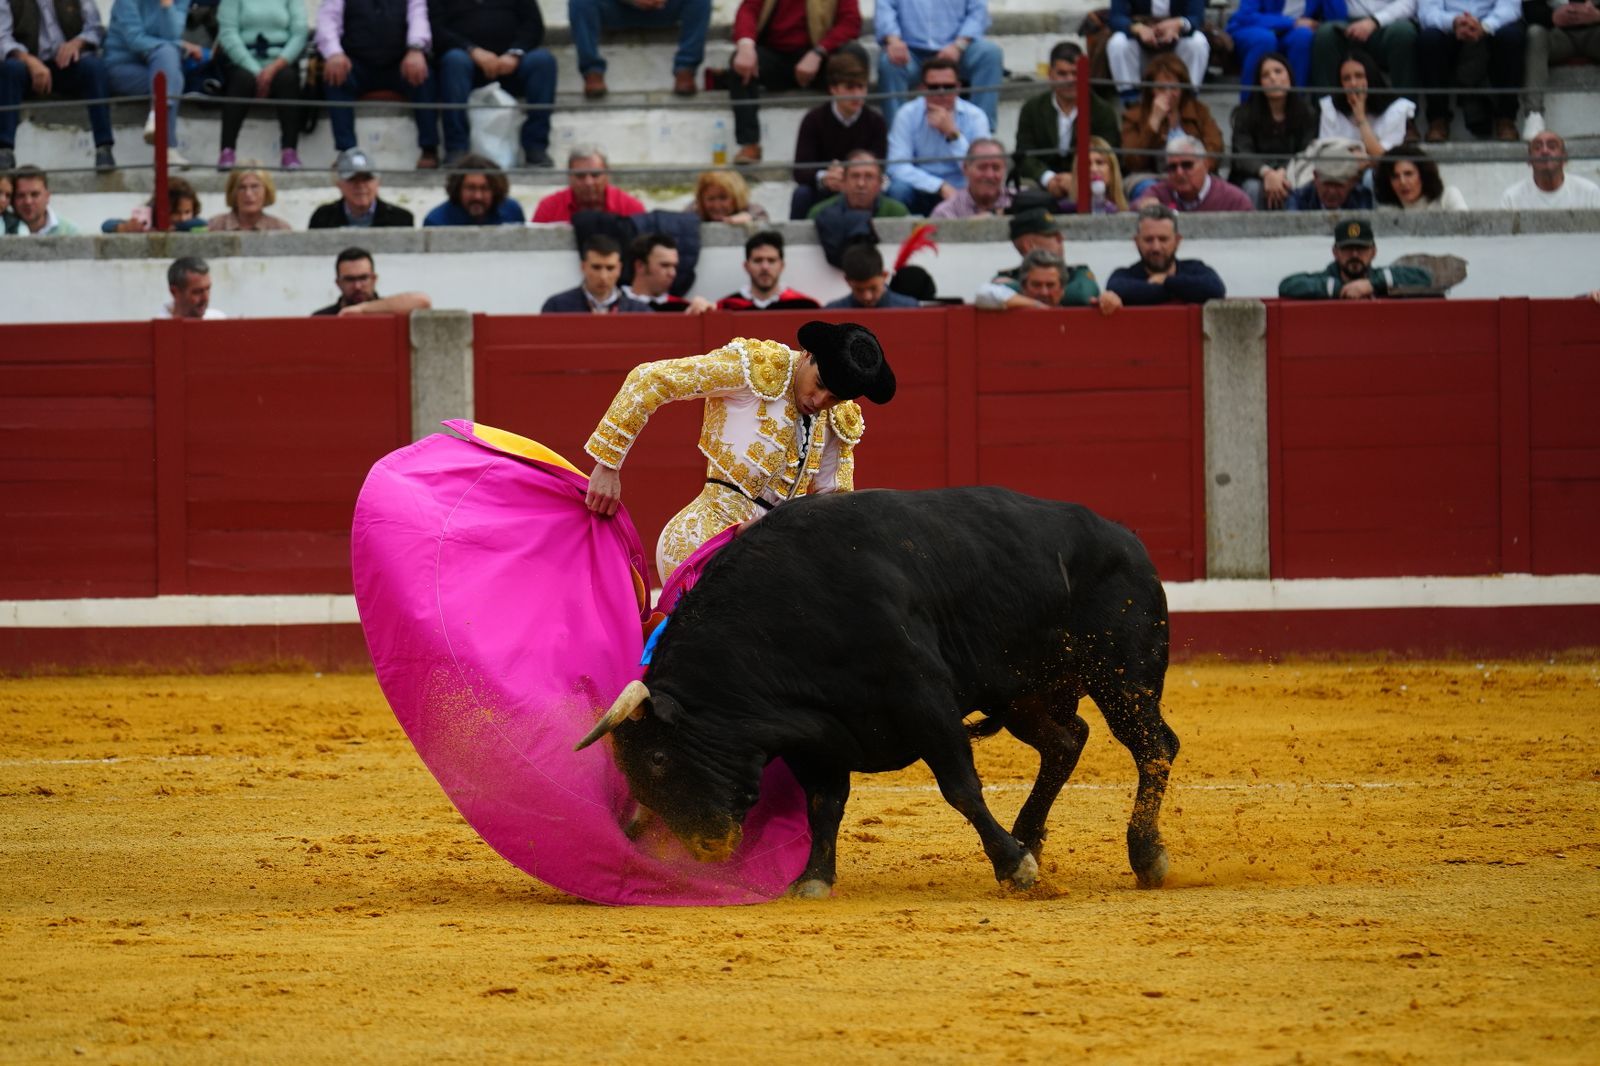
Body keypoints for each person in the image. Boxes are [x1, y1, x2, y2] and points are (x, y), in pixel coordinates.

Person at [583, 320, 896, 581]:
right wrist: (608, 463)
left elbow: (837, 501)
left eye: (835, 398)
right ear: (807, 355)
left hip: (774, 547)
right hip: (706, 534)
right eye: (820, 383)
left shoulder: (838, 418)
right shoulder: (756, 368)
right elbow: (650, 379)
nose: (820, 401)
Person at [727, 0, 868, 165]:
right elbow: (748, 10)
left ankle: (854, 142)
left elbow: (850, 22)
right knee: (740, 63)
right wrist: (746, 45)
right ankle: (749, 144)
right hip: (776, 57)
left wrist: (819, 52)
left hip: (820, 58)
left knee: (855, 55)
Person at [431, 0, 558, 168]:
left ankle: (536, 148)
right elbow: (436, 30)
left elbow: (533, 25)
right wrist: (471, 50)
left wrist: (515, 53)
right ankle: (457, 149)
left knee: (543, 61)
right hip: (466, 68)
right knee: (454, 60)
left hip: (511, 66)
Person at [316, 0, 438, 167]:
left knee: (423, 74)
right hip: (356, 64)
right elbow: (327, 20)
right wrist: (334, 53)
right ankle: (347, 153)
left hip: (399, 64)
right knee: (335, 77)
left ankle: (429, 149)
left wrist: (415, 49)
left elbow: (418, 19)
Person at [0, 0, 115, 171]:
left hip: (66, 65)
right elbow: (2, 37)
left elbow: (95, 28)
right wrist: (28, 60)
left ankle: (104, 148)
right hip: (27, 66)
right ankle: (4, 151)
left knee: (94, 67)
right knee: (10, 69)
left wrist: (77, 43)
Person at [1014, 41, 1122, 203]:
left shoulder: (1102, 111)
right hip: (1044, 182)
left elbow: (1108, 155)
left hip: (1091, 179)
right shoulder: (1032, 109)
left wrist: (1077, 179)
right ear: (1050, 74)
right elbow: (1024, 155)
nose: (1070, 79)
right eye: (1062, 74)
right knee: (1025, 191)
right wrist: (1048, 179)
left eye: (1075, 73)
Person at [885, 56, 991, 215]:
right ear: (922, 89)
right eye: (934, 87)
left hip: (963, 189)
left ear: (958, 87)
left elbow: (981, 167)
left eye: (948, 87)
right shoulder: (907, 114)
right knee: (898, 190)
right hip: (921, 187)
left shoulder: (976, 116)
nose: (941, 93)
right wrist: (939, 186)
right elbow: (897, 166)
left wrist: (953, 135)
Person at [789, 50, 888, 219]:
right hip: (827, 188)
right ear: (833, 89)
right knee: (802, 194)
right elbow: (801, 169)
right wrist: (825, 177)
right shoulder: (814, 119)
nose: (857, 94)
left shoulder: (875, 121)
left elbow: (880, 165)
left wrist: (851, 178)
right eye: (850, 87)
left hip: (863, 186)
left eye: (861, 87)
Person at [876, 0, 1005, 129]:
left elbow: (978, 13)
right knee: (889, 63)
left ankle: (982, 133)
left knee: (990, 54)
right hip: (912, 52)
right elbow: (885, 9)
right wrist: (893, 41)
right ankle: (897, 133)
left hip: (958, 49)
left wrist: (958, 45)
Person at [215, 0, 307, 171]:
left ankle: (289, 151)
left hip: (280, 62)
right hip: (244, 61)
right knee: (241, 80)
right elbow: (228, 33)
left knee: (288, 79)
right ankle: (227, 150)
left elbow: (300, 33)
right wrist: (257, 72)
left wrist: (274, 68)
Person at [1418, 0, 1525, 142]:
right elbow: (1427, 12)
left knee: (1511, 38)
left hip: (1491, 26)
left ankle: (1506, 119)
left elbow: (1510, 8)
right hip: (1450, 28)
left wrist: (1484, 26)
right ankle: (1438, 120)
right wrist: (1454, 22)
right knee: (1429, 40)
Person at [103, 0, 195, 166]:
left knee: (170, 73)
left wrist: (167, 6)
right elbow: (135, 39)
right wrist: (177, 45)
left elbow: (173, 33)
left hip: (159, 68)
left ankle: (156, 118)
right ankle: (168, 147)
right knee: (172, 71)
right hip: (122, 67)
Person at [1228, 51, 1317, 209]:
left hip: (1293, 173)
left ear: (1289, 76)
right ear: (1259, 84)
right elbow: (1242, 154)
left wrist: (1281, 173)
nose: (1273, 78)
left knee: (1296, 186)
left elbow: (1307, 151)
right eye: (1265, 75)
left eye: (1278, 71)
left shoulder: (1307, 113)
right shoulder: (1245, 114)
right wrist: (1267, 173)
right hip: (1255, 175)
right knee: (1253, 188)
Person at [569, 0, 710, 98]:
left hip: (662, 7)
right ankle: (592, 71)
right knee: (580, 2)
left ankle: (685, 69)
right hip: (616, 9)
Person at [1118, 53, 1224, 179]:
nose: (1168, 93)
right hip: (1150, 177)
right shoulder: (1133, 116)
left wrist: (1197, 170)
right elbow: (1133, 162)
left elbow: (1215, 147)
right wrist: (1154, 121)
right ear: (1151, 89)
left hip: (1196, 174)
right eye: (1161, 88)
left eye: (1174, 87)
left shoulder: (1199, 111)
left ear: (1183, 88)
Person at [1279, 218, 1436, 298]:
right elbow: (1287, 285)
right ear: (1335, 252)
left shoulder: (1381, 278)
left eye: (1361, 249)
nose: (1354, 255)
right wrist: (1339, 289)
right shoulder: (1325, 279)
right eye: (1347, 249)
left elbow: (1426, 277)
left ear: (1373, 252)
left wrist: (1372, 284)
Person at [1105, 203, 1226, 305]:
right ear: (1136, 242)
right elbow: (1117, 289)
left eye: (1163, 239)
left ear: (1177, 241)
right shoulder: (1123, 276)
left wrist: (1166, 280)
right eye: (1148, 240)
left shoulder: (1197, 269)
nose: (1156, 247)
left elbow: (1215, 289)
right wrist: (1179, 288)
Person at [1310, 0, 1422, 103]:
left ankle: (1407, 115)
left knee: (1403, 34)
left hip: (1388, 22)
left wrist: (1375, 21)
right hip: (1345, 21)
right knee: (1325, 35)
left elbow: (1409, 3)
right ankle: (1325, 112)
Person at [1227, 0, 1344, 94]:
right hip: (1255, 28)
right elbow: (1246, 16)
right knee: (1264, 40)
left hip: (1291, 33)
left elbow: (1337, 17)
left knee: (1303, 37)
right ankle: (1249, 110)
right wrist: (1291, 22)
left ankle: (1296, 106)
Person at [1104, 0, 1211, 102]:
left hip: (1177, 39)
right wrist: (1138, 29)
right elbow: (1116, 17)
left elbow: (1197, 17)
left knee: (1198, 42)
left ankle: (1188, 98)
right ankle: (1131, 100)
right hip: (1140, 40)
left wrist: (1179, 24)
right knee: (1118, 43)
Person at [1523, 1, 1600, 141]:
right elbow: (1528, 9)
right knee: (1535, 33)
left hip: (1596, 32)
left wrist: (1597, 15)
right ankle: (1533, 113)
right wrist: (1552, 16)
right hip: (1558, 34)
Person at [1318, 53, 1416, 158]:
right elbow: (1326, 157)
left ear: (1371, 77)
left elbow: (1383, 159)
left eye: (1359, 76)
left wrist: (1361, 118)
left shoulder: (1396, 109)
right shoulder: (1330, 108)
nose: (1353, 83)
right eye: (1346, 78)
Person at [975, 245, 1109, 312]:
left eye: (1050, 285)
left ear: (1062, 289)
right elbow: (983, 293)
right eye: (1036, 284)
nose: (1044, 292)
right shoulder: (1013, 308)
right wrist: (1036, 305)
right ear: (1023, 287)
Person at [531, 146, 646, 223]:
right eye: (580, 176)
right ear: (569, 177)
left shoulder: (630, 207)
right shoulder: (549, 208)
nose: (588, 182)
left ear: (607, 174)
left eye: (595, 175)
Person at [541, 234, 652, 314]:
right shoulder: (557, 307)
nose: (603, 276)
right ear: (583, 267)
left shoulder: (639, 311)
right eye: (596, 267)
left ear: (619, 269)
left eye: (610, 268)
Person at [1142, 134, 1255, 211]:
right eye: (1172, 167)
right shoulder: (1157, 195)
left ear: (1205, 164)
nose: (1179, 172)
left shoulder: (1234, 200)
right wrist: (1143, 206)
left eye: (1187, 165)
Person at [308, 148, 416, 228]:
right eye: (352, 179)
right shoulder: (322, 218)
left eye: (367, 178)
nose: (360, 185)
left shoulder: (401, 220)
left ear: (378, 182)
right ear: (339, 184)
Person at [716, 230, 821, 310]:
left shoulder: (804, 306)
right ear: (746, 266)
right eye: (758, 260)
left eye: (771, 261)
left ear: (782, 266)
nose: (765, 267)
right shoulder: (727, 306)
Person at [311, 247, 433, 315]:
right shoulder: (322, 317)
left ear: (374, 279)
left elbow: (423, 301)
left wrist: (362, 309)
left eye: (363, 278)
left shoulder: (390, 308)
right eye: (350, 279)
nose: (357, 286)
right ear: (338, 283)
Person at [1499, 128, 1600, 207]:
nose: (1545, 151)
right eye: (1537, 148)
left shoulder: (1589, 193)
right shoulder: (1511, 198)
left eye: (1552, 146)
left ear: (1564, 158)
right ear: (1529, 160)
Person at [422, 153, 527, 225]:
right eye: (470, 188)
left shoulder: (512, 212)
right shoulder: (436, 221)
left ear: (495, 190)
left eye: (485, 188)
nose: (478, 196)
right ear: (458, 189)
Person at [623, 232, 715, 313]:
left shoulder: (684, 309)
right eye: (665, 265)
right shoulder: (614, 304)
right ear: (640, 266)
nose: (672, 273)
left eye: (674, 266)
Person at [807, 149, 911, 218]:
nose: (861, 184)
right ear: (843, 182)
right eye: (855, 176)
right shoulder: (819, 214)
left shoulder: (897, 213)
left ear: (880, 183)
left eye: (869, 176)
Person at [929, 137, 1011, 218]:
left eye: (996, 168)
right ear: (965, 169)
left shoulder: (1018, 201)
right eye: (982, 167)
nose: (989, 175)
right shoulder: (945, 213)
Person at [1285, 139, 1376, 210]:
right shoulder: (1298, 199)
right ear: (1315, 177)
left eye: (1338, 185)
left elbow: (1359, 230)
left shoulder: (1362, 197)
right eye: (1327, 184)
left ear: (1352, 181)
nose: (1332, 192)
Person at [827, 241, 922, 308]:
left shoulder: (909, 308)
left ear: (885, 276)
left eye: (873, 288)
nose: (867, 297)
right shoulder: (831, 312)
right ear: (847, 281)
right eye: (859, 290)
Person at [1374, 142, 1468, 209]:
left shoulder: (1448, 196)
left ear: (1423, 175)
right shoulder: (1387, 210)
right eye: (1395, 176)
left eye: (1408, 174)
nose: (1402, 182)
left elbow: (1467, 231)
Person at [102, 177, 207, 232]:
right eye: (176, 212)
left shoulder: (193, 224)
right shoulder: (149, 221)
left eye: (187, 212)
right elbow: (106, 225)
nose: (183, 218)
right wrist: (123, 227)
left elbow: (202, 222)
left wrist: (175, 227)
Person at [207, 166, 291, 231]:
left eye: (255, 187)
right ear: (233, 192)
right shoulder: (214, 227)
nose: (248, 194)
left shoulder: (280, 229)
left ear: (267, 191)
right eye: (242, 187)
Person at [5, 164, 74, 234]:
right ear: (12, 200)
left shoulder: (68, 232)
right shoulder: (3, 230)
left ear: (47, 197)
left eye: (34, 194)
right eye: (21, 195)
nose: (28, 201)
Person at [1067, 137, 1130, 213]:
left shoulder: (1127, 211)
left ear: (1112, 170)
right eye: (1087, 164)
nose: (1093, 169)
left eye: (1099, 162)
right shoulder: (1065, 209)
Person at [692, 168, 768, 223]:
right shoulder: (694, 211)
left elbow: (762, 217)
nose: (717, 205)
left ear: (736, 197)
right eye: (711, 199)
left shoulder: (752, 210)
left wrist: (750, 219)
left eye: (723, 198)